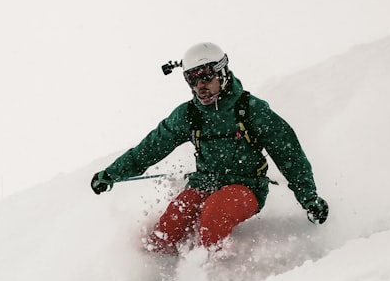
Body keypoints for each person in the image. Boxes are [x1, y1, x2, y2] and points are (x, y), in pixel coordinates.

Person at [90, 42, 328, 255]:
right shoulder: (190, 115)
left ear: (222, 73)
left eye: (205, 77)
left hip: (246, 186)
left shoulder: (250, 109)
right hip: (204, 183)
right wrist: (113, 173)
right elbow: (151, 147)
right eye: (191, 80)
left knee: (214, 214)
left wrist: (309, 198)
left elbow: (288, 154)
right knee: (170, 225)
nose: (199, 86)